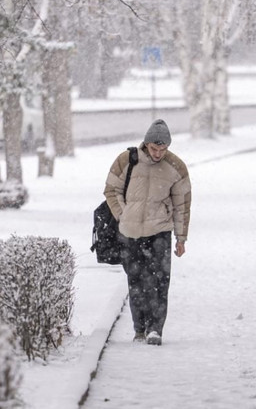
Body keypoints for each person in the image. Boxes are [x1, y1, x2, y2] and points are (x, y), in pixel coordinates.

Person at [103, 119, 192, 346]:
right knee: (136, 281)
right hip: (130, 231)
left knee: (160, 281)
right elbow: (111, 190)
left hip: (160, 230)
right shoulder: (127, 160)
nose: (158, 154)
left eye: (163, 149)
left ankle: (155, 329)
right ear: (146, 143)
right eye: (154, 148)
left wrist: (181, 238)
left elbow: (182, 204)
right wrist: (123, 214)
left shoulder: (176, 167)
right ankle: (139, 329)